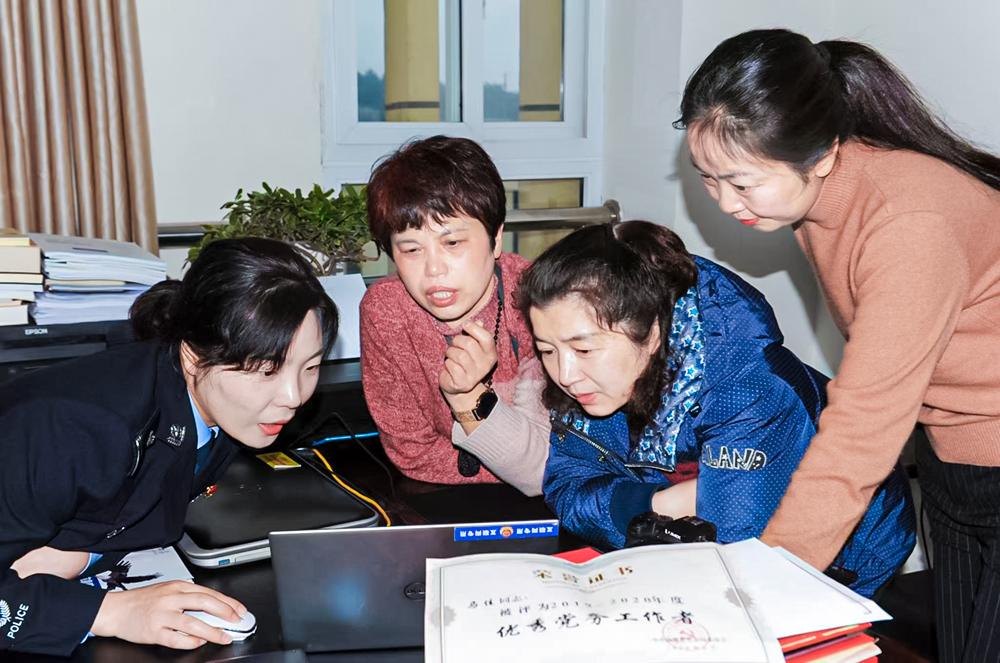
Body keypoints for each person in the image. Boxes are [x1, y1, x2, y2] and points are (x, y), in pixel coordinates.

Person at [676, 27, 1000, 660]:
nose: (724, 202)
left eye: (741, 182)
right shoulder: (816, 199)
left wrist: (763, 583)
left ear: (821, 155)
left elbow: (863, 426)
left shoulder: (908, 227)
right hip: (950, 457)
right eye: (707, 179)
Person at [517, 220, 915, 598]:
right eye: (547, 350)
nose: (565, 374)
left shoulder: (745, 388)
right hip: (684, 560)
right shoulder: (595, 381)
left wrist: (640, 510)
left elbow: (739, 546)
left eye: (584, 349)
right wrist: (662, 503)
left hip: (843, 557)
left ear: (651, 333)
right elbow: (567, 486)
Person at [0, 238, 337, 656]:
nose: (293, 396)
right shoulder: (73, 430)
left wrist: (82, 556)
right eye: (267, 370)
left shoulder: (222, 406)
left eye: (311, 367)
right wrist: (109, 612)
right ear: (194, 357)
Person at [360, 135, 549, 495]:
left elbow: (550, 460)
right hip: (444, 501)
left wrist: (472, 399)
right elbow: (413, 454)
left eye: (452, 243)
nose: (434, 270)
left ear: (496, 239)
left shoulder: (534, 300)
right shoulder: (387, 311)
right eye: (411, 249)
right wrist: (512, 460)